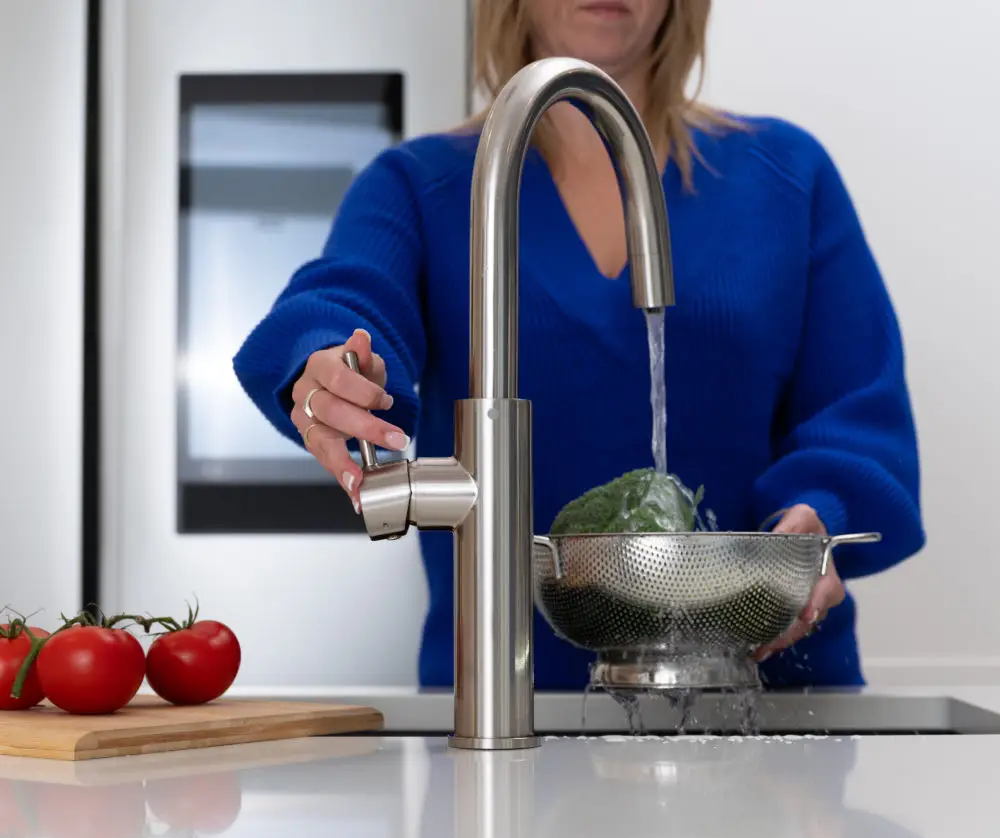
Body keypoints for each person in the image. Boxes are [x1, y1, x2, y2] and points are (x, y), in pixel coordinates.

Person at [232, 0, 924, 690]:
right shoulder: (421, 187)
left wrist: (819, 519)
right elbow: (343, 302)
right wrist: (329, 365)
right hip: (506, 703)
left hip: (772, 706)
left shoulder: (787, 176)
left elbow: (861, 418)